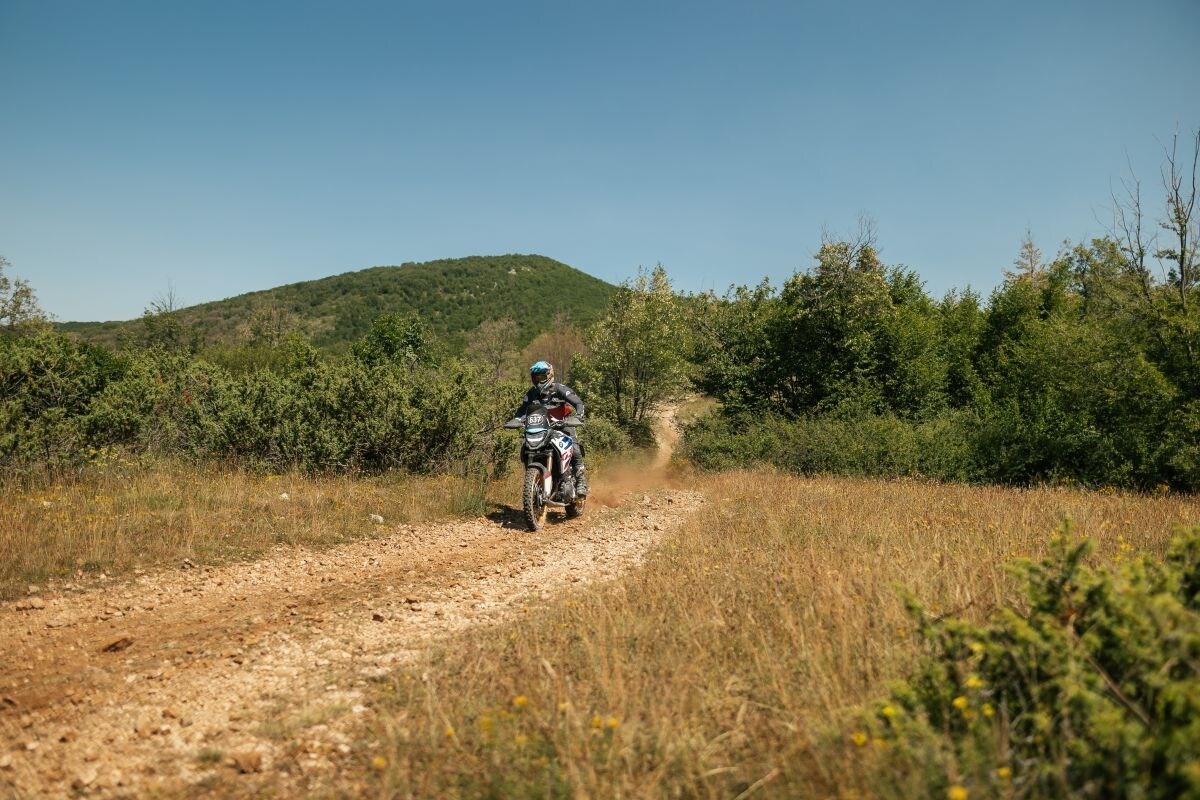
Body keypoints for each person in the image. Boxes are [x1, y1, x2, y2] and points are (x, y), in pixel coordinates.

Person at [514, 360, 588, 497]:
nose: (538, 381)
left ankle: (581, 482)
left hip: (563, 426)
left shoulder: (559, 389)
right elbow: (522, 411)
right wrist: (517, 420)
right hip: (540, 429)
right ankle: (536, 483)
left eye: (541, 377)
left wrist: (578, 416)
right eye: (536, 378)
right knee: (525, 447)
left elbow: (578, 402)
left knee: (575, 448)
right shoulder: (532, 393)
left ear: (549, 375)